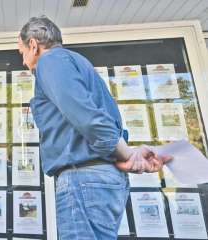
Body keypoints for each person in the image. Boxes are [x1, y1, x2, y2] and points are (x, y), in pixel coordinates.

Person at [17, 16, 172, 239]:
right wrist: (126, 156)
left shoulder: (50, 61)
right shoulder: (78, 63)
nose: (23, 61)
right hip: (99, 178)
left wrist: (128, 154)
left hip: (83, 180)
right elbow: (100, 119)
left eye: (21, 52)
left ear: (33, 45)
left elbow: (87, 116)